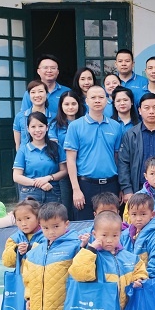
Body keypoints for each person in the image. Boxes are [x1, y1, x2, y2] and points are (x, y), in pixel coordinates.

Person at [22, 202, 81, 310]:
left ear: (66, 224)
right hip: (47, 303)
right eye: (46, 228)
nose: (51, 232)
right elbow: (28, 277)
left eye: (56, 226)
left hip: (68, 302)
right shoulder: (36, 250)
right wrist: (29, 298)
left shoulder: (75, 246)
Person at [64, 86, 123, 221]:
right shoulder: (75, 126)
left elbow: (117, 158)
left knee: (110, 224)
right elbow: (70, 159)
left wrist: (121, 186)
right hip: (86, 185)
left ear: (107, 100)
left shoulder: (115, 126)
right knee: (84, 225)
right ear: (86, 101)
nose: (97, 100)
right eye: (93, 97)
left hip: (111, 184)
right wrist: (76, 189)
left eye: (101, 97)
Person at [13, 112, 66, 203]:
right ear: (28, 129)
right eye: (33, 127)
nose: (37, 130)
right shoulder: (23, 150)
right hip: (29, 194)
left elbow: (64, 171)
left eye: (41, 126)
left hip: (52, 192)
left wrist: (49, 178)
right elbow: (16, 176)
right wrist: (39, 183)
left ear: (47, 127)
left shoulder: (56, 147)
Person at [120, 193, 155, 275]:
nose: (138, 219)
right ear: (128, 215)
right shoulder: (124, 235)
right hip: (127, 279)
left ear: (152, 214)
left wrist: (142, 278)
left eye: (143, 214)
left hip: (148, 280)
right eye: (134, 214)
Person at [2, 199, 45, 270]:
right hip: (22, 276)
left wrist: (30, 248)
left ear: (38, 217)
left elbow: (50, 254)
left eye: (28, 218)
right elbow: (7, 263)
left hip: (41, 275)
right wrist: (16, 250)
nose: (23, 224)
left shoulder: (47, 235)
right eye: (19, 220)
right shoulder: (14, 239)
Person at [14, 80, 52, 149]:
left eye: (40, 91)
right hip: (26, 155)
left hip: (49, 154)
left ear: (46, 94)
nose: (37, 95)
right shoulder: (20, 116)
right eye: (33, 92)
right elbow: (18, 144)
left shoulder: (55, 117)